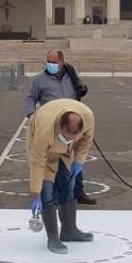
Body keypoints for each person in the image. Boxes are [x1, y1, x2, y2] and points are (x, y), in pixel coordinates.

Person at [24, 49, 96, 205]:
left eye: (53, 62)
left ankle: (78, 191)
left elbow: (80, 91)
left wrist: (82, 89)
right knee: (52, 163)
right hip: (53, 125)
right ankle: (54, 197)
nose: (50, 64)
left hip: (73, 123)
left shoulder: (71, 76)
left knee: (76, 160)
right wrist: (32, 117)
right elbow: (30, 99)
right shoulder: (39, 80)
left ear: (62, 62)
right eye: (48, 61)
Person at [27, 99, 95, 254]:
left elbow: (86, 142)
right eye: (66, 136)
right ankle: (53, 237)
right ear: (60, 127)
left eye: (73, 137)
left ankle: (69, 230)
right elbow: (37, 164)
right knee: (47, 190)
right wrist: (35, 194)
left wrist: (78, 161)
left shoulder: (88, 118)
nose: (69, 139)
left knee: (68, 185)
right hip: (44, 147)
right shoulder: (44, 130)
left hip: (66, 152)